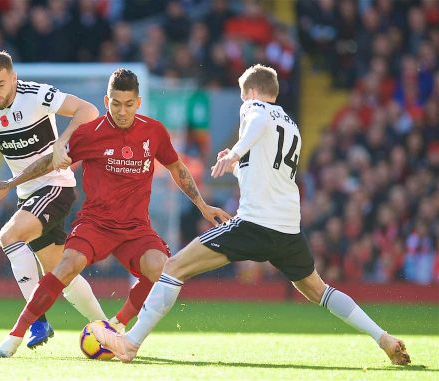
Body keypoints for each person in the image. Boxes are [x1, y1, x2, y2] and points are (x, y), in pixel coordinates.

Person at [90, 64, 411, 366]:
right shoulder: (292, 125)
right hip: (288, 230)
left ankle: (130, 343)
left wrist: (235, 152)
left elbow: (255, 120)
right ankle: (382, 337)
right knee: (320, 291)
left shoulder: (255, 108)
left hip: (254, 223)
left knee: (173, 268)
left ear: (253, 93)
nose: (244, 104)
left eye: (245, 97)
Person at [0, 68, 231, 358]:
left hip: (135, 228)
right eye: (115, 104)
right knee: (65, 266)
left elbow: (177, 169)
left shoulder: (154, 131)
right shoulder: (90, 133)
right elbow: (50, 162)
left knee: (163, 270)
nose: (121, 111)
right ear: (106, 100)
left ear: (137, 102)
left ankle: (116, 325)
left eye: (127, 104)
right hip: (95, 224)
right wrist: (11, 183)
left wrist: (203, 205)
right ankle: (15, 335)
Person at [0, 49, 108, 349]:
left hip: (55, 186)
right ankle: (108, 329)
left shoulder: (36, 95)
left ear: (13, 78)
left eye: (0, 84)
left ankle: (36, 321)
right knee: (61, 274)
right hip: (28, 194)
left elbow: (88, 110)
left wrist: (63, 142)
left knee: (9, 235)